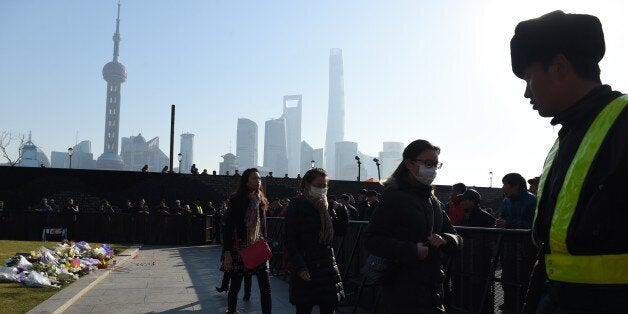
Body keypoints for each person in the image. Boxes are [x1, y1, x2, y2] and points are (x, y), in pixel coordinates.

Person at [510, 10, 628, 313]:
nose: (526, 92)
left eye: (528, 77)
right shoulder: (569, 135)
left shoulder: (623, 122)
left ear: (559, 67)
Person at [364, 139, 462, 313]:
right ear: (409, 163)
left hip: (433, 287)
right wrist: (411, 250)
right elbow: (372, 239)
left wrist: (446, 239)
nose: (432, 169)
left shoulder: (433, 200)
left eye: (435, 165)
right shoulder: (394, 196)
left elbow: (455, 236)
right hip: (401, 290)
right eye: (428, 163)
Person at [284, 168, 349, 314]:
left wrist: (341, 210)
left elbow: (340, 231)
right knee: (305, 307)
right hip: (307, 265)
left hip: (327, 266)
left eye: (324, 185)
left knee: (328, 307)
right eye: (318, 185)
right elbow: (290, 239)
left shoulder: (326, 206)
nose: (322, 189)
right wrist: (300, 266)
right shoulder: (297, 204)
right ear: (307, 184)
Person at [222, 168, 272, 314]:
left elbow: (262, 226)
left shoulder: (261, 199)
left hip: (258, 246)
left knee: (266, 287)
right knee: (235, 286)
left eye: (259, 178)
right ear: (246, 181)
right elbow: (229, 227)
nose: (258, 181)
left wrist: (265, 241)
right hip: (241, 249)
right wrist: (227, 252)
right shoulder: (236, 199)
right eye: (254, 178)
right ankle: (231, 311)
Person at [457, 188, 495, 314]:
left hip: (480, 262)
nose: (461, 202)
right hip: (468, 260)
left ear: (473, 202)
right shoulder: (466, 217)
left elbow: (490, 242)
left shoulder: (485, 218)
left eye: (464, 200)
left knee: (480, 289)